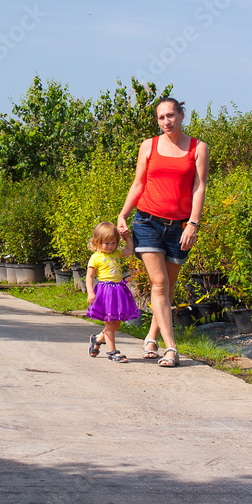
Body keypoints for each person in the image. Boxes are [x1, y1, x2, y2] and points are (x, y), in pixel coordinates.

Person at [116, 98, 209, 367]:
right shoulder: (149, 146)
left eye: (170, 115)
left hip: (179, 227)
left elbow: (199, 187)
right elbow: (138, 183)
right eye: (161, 118)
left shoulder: (198, 148)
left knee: (167, 290)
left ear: (181, 115)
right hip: (147, 222)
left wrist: (193, 223)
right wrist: (123, 213)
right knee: (158, 283)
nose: (166, 122)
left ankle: (151, 336)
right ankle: (171, 348)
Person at [85, 221, 141, 363]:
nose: (110, 246)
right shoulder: (95, 257)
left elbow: (130, 250)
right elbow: (89, 276)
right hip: (105, 292)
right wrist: (90, 293)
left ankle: (97, 339)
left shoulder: (116, 252)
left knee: (116, 324)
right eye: (106, 243)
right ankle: (112, 352)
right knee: (110, 323)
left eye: (113, 243)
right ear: (97, 242)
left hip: (118, 291)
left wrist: (127, 238)